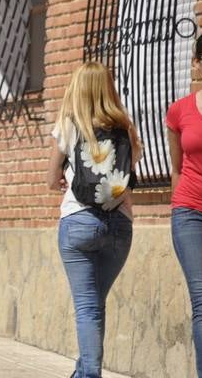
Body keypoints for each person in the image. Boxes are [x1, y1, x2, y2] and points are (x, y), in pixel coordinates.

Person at [47, 61, 141, 378]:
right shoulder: (126, 127)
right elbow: (129, 171)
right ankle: (82, 371)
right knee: (95, 305)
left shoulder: (69, 123)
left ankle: (89, 374)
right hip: (120, 225)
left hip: (78, 221)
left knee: (88, 306)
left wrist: (62, 175)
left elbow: (51, 178)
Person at [167, 30, 202, 378]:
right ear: (197, 63)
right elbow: (176, 167)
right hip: (192, 212)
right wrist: (179, 206)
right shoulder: (179, 110)